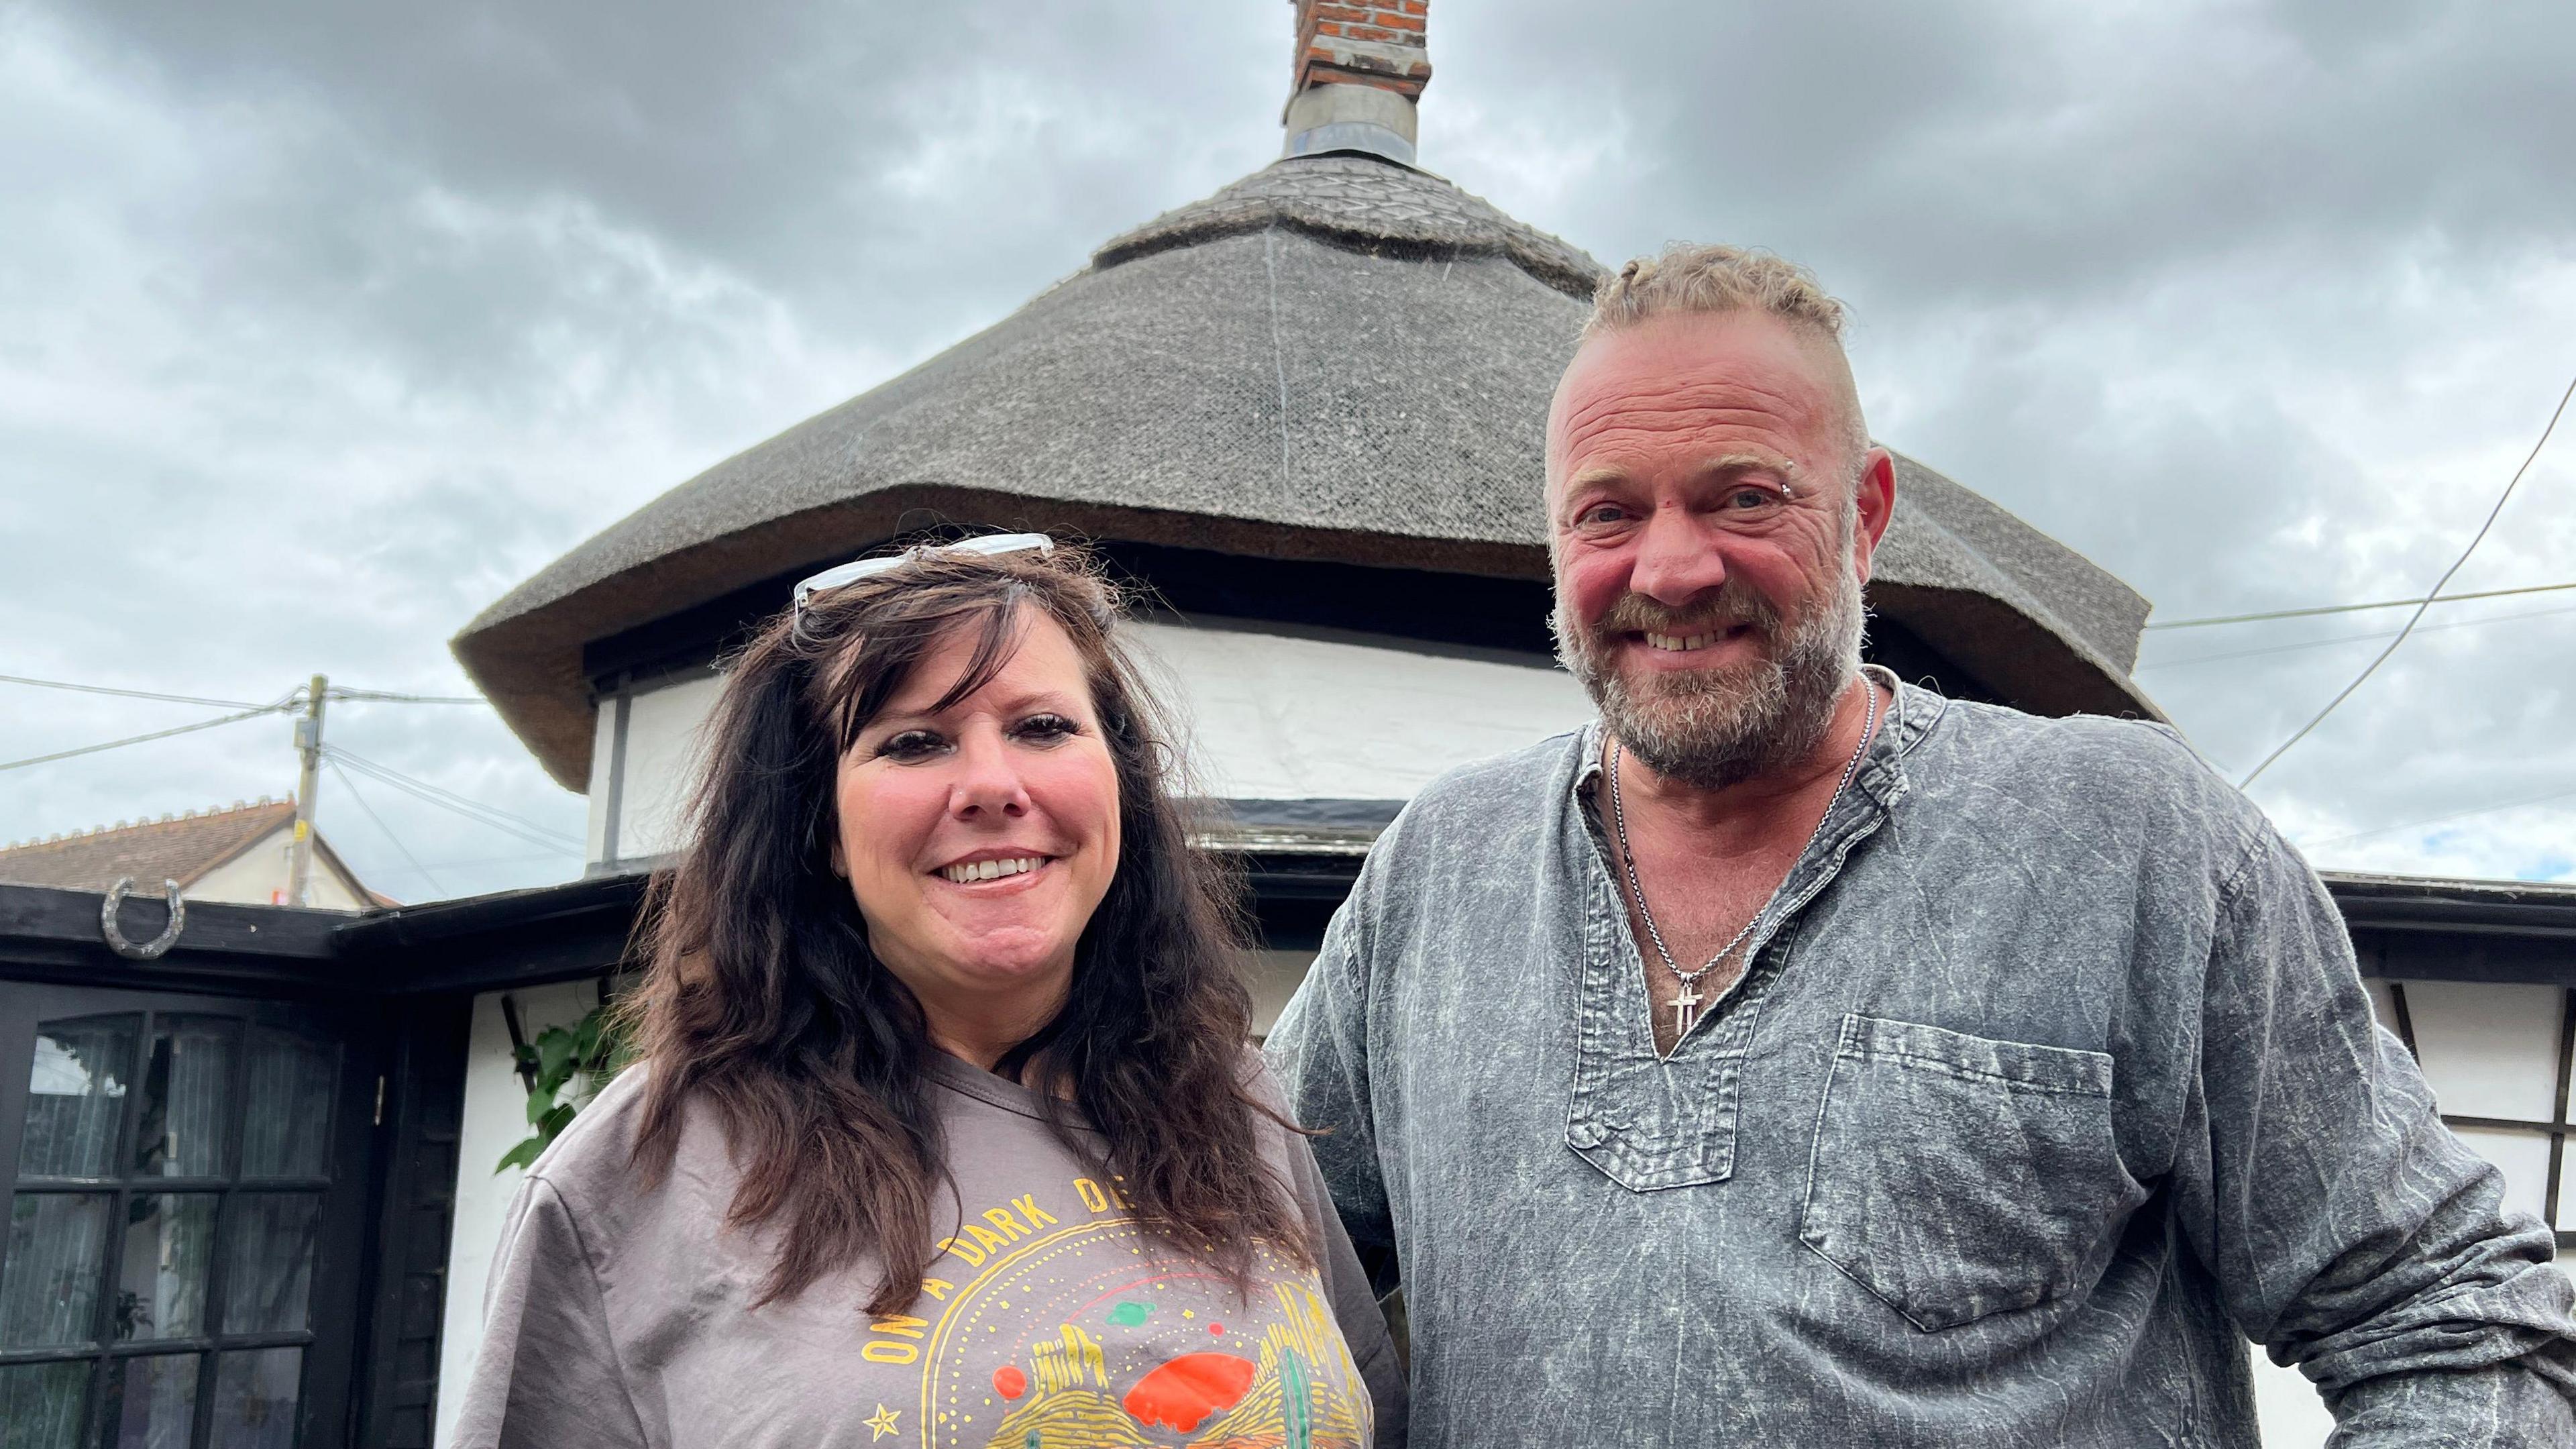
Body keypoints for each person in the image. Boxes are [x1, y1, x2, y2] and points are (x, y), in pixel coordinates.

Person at [1265, 244, 2576, 1445]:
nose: (1668, 567)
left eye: (1744, 497)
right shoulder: (1440, 873)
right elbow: (1227, 1252)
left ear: (1866, 513)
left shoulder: (2128, 847)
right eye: (1608, 513)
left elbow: (2459, 1327)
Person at [455, 537, 1403, 1448]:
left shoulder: (1235, 1111)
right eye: (913, 742)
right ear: (819, 826)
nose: (991, 785)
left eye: (1042, 727)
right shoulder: (640, 1178)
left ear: (1118, 782)